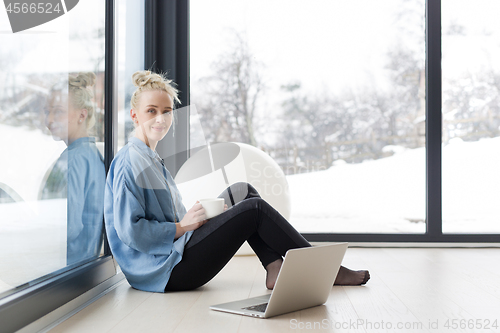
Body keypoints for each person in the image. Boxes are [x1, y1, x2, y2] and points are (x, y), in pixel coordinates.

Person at [104, 70, 370, 293]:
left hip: (174, 253)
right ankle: (325, 270)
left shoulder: (148, 156)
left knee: (243, 192)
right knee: (254, 209)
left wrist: (192, 223)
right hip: (166, 271)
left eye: (167, 111)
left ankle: (274, 267)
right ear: (134, 115)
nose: (161, 118)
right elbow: (131, 231)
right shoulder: (131, 161)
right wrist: (181, 227)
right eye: (151, 111)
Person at [43, 72, 105, 266]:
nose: (50, 119)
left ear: (82, 114)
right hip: (85, 265)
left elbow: (67, 227)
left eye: (58, 111)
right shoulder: (91, 154)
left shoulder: (73, 160)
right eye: (47, 111)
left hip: (66, 267)